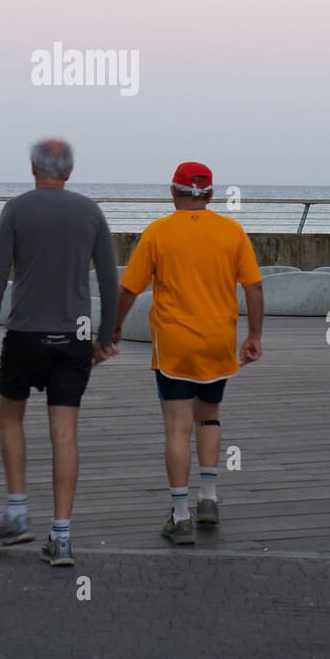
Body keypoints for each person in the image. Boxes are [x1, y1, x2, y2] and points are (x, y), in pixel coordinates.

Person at [0, 138, 118, 565]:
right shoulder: (90, 212)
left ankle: (17, 513)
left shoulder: (16, 209)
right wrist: (105, 336)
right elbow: (110, 281)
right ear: (69, 171)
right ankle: (61, 536)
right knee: (65, 431)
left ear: (33, 167)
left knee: (11, 416)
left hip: (25, 334)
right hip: (73, 337)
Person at [113, 161, 264, 544]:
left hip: (175, 344)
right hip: (218, 341)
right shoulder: (232, 231)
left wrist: (113, 328)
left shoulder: (158, 233)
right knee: (208, 416)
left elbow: (129, 289)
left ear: (173, 192)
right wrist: (254, 336)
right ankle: (209, 498)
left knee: (178, 426)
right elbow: (254, 287)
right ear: (211, 195)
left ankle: (181, 516)